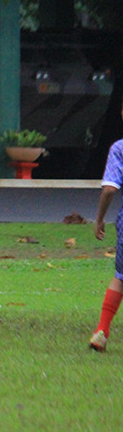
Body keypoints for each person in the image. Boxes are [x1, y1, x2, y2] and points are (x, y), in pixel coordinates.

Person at [89, 103, 123, 352]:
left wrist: (100, 218)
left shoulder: (119, 149)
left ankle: (102, 330)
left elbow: (110, 189)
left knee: (121, 278)